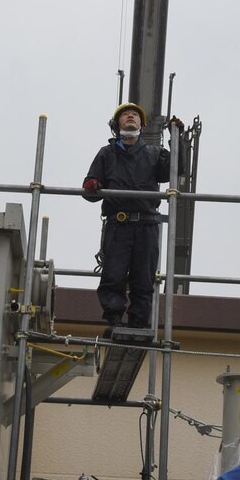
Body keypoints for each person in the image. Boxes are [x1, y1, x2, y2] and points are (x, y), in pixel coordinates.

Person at [82, 101, 171, 337]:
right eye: (125, 115)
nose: (130, 117)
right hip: (118, 225)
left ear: (142, 125)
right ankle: (115, 320)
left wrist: (178, 141)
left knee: (144, 278)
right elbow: (89, 188)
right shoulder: (107, 154)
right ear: (116, 124)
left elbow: (174, 170)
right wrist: (93, 185)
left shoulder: (154, 154)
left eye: (135, 115)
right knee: (114, 274)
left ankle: (137, 326)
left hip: (147, 224)